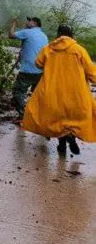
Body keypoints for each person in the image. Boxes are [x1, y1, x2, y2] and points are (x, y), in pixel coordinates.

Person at [22, 24, 96, 156]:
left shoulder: (48, 49)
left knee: (58, 119)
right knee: (73, 119)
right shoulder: (79, 50)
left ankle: (62, 143)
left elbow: (38, 64)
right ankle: (71, 137)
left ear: (58, 34)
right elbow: (91, 72)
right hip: (76, 95)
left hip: (52, 93)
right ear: (71, 35)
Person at [9, 16, 48, 122]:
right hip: (40, 70)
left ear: (35, 23)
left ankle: (23, 115)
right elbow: (31, 48)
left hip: (28, 69)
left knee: (18, 91)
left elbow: (11, 35)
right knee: (37, 94)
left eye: (29, 20)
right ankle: (40, 116)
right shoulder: (44, 36)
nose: (27, 22)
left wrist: (14, 24)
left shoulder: (28, 32)